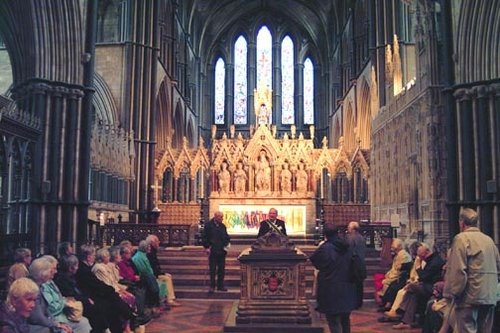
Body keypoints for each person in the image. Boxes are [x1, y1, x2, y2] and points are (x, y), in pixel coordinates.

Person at [443, 207, 500, 333]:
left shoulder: (461, 239)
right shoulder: (489, 240)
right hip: (489, 295)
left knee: (467, 329)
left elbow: (459, 270)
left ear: (461, 222)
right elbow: (497, 265)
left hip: (469, 296)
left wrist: (455, 292)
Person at [75, 245, 135, 333]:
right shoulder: (84, 270)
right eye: (93, 256)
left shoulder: (87, 267)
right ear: (88, 257)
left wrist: (110, 289)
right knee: (112, 302)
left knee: (114, 299)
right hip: (91, 296)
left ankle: (125, 322)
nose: (94, 258)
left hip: (96, 293)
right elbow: (95, 285)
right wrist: (110, 289)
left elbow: (99, 283)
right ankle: (126, 319)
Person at [309, 226, 356, 333]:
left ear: (325, 235)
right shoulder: (347, 246)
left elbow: (315, 261)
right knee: (345, 318)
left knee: (333, 320)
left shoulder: (325, 248)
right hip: (347, 285)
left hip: (330, 287)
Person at [28, 256, 92, 333]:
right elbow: (38, 316)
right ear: (43, 273)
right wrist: (56, 324)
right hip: (38, 325)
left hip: (51, 318)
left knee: (83, 322)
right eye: (51, 270)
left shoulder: (41, 285)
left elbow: (46, 311)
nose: (55, 272)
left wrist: (56, 323)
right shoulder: (33, 288)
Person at [392, 243, 445, 329]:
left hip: (434, 287)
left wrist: (418, 266)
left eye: (422, 257)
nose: (421, 259)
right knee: (413, 295)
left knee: (411, 287)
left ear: (427, 252)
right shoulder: (430, 259)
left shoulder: (435, 261)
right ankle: (406, 322)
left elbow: (423, 276)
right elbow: (423, 278)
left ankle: (401, 309)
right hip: (426, 285)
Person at [54, 255, 109, 333]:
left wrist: (87, 298)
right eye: (76, 266)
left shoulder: (71, 277)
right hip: (72, 305)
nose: (77, 268)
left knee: (99, 304)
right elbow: (72, 295)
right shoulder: (62, 280)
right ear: (71, 268)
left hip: (79, 300)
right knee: (96, 310)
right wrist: (86, 300)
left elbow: (79, 291)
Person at [145, 235, 181, 307]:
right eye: (157, 241)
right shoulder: (150, 253)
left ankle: (168, 299)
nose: (159, 243)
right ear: (152, 242)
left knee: (167, 276)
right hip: (152, 275)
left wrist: (162, 273)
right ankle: (169, 300)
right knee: (167, 278)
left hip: (154, 273)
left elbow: (155, 266)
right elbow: (153, 267)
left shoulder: (153, 251)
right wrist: (162, 273)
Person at [202, 211, 231, 294]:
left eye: (222, 217)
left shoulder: (222, 226)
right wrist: (206, 247)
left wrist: (227, 243)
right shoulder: (208, 225)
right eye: (221, 217)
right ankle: (212, 286)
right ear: (216, 217)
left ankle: (220, 285)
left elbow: (226, 236)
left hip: (222, 251)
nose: (222, 219)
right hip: (213, 250)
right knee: (213, 269)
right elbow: (204, 237)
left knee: (221, 269)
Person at [346, 221, 366, 309]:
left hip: (354, 264)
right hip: (361, 263)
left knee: (353, 284)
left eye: (349, 228)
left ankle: (354, 303)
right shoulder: (361, 237)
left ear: (353, 229)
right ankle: (359, 302)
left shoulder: (351, 238)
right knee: (359, 284)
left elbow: (349, 251)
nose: (348, 229)